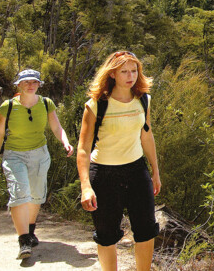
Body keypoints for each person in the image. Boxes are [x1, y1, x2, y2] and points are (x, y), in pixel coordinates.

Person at [76, 51, 161, 271]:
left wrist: (155, 171)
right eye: (124, 71)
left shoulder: (143, 100)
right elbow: (83, 148)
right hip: (104, 174)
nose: (130, 75)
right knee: (106, 235)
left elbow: (146, 135)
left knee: (146, 230)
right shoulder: (96, 105)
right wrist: (86, 186)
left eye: (134, 70)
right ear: (112, 73)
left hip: (136, 170)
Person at [0, 69, 74, 259]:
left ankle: (30, 230)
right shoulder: (8, 106)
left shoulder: (46, 103)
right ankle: (24, 241)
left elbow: (56, 126)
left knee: (36, 194)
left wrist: (65, 141)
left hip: (39, 154)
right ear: (18, 85)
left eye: (34, 82)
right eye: (26, 82)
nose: (30, 85)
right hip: (14, 156)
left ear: (39, 85)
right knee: (20, 192)